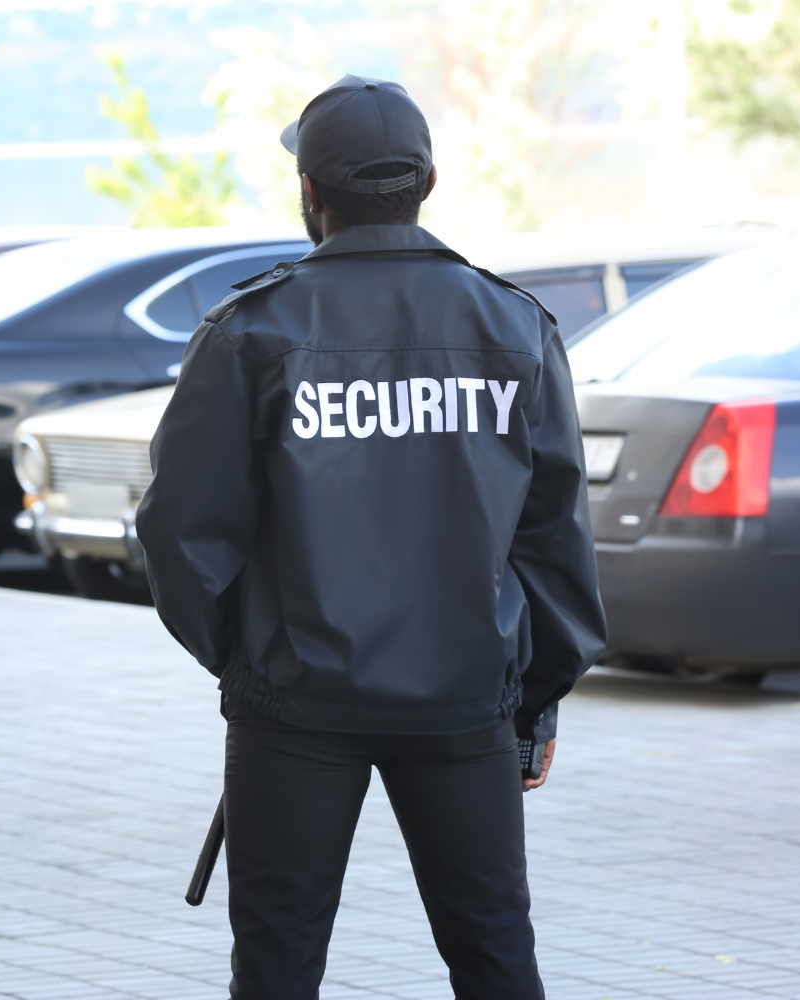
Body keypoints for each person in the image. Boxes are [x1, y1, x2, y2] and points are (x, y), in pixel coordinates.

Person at [136, 75, 606, 1000]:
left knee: (277, 962)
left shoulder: (250, 331)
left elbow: (179, 533)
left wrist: (251, 657)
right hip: (466, 700)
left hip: (294, 707)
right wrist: (533, 696)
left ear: (310, 193)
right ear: (427, 184)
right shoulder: (514, 326)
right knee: (494, 953)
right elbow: (556, 538)